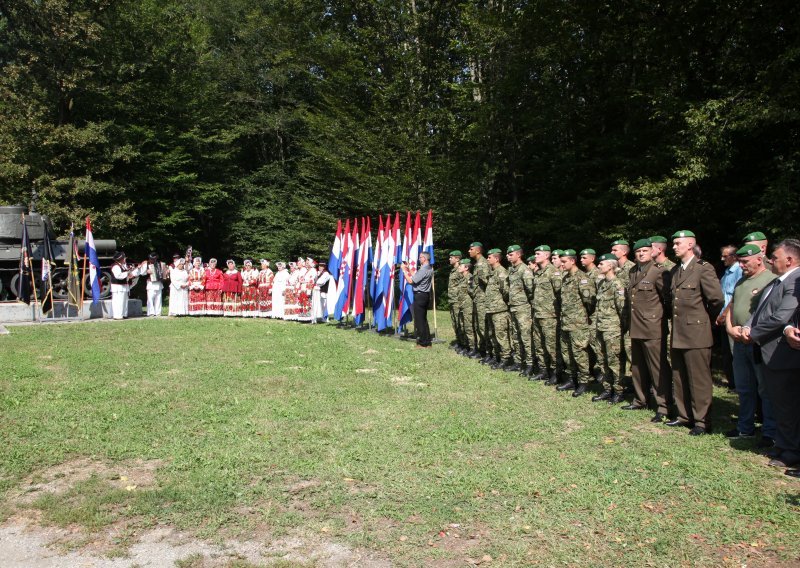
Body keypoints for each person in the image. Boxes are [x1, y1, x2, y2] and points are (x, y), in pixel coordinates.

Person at [742, 238, 800, 470]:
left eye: (774, 257)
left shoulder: (795, 280)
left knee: (788, 405)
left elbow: (781, 317)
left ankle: (791, 451)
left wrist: (752, 333)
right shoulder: (778, 281)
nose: (770, 261)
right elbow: (761, 311)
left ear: (789, 259)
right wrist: (748, 326)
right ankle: (783, 444)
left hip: (783, 353)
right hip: (771, 350)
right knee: (779, 403)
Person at [668, 230, 724, 435]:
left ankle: (702, 421)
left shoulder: (703, 268)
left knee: (699, 379)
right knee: (680, 376)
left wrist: (703, 320)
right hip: (679, 332)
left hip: (696, 332)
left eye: (677, 243)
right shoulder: (676, 271)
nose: (674, 247)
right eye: (673, 244)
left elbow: (716, 299)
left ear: (690, 245)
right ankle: (684, 416)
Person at [725, 244, 777, 446]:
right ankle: (744, 428)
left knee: (764, 389)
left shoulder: (770, 280)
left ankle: (769, 431)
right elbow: (731, 306)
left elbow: (771, 312)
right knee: (744, 387)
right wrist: (730, 328)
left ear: (759, 259)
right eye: (739, 261)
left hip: (759, 342)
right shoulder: (741, 281)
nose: (741, 265)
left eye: (745, 261)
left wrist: (752, 332)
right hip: (739, 341)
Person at [622, 239, 672, 422]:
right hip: (636, 326)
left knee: (658, 368)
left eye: (644, 250)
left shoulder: (659, 272)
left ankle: (663, 406)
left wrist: (657, 318)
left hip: (653, 327)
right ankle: (640, 400)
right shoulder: (633, 271)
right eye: (638, 251)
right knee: (637, 366)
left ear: (652, 251)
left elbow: (667, 300)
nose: (641, 253)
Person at [556, 249, 596, 396]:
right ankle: (572, 379)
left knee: (579, 353)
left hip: (578, 323)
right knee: (567, 353)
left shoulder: (583, 278)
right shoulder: (565, 278)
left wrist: (581, 316)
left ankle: (584, 381)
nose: (562, 264)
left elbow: (590, 302)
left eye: (564, 261)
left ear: (573, 261)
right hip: (566, 321)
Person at [592, 253, 627, 403]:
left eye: (602, 264)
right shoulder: (602, 284)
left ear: (611, 266)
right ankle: (607, 389)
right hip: (600, 327)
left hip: (613, 329)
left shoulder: (617, 284)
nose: (599, 266)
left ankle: (619, 391)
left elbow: (623, 310)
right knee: (602, 360)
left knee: (615, 361)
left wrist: (621, 328)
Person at [531, 245, 561, 382]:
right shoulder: (538, 273)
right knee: (539, 344)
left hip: (550, 315)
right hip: (537, 314)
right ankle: (544, 370)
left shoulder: (553, 272)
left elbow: (560, 293)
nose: (535, 256)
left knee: (551, 346)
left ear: (546, 256)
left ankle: (556, 373)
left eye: (538, 254)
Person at [505, 245, 534, 375]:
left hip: (523, 308)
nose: (508, 256)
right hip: (514, 307)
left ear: (518, 255)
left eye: (511, 254)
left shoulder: (525, 270)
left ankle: (530, 363)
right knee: (516, 336)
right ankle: (518, 361)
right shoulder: (511, 270)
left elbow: (531, 290)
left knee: (526, 337)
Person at [717, 244, 742, 389]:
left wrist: (725, 314)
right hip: (722, 318)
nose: (722, 259)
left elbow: (734, 298)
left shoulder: (739, 271)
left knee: (735, 353)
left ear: (734, 256)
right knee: (727, 353)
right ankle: (733, 383)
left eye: (725, 256)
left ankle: (739, 384)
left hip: (731, 319)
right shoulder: (727, 272)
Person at [483, 248, 512, 367]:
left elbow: (506, 291)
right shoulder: (492, 272)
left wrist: (500, 303)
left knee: (501, 335)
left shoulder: (501, 272)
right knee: (492, 334)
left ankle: (506, 358)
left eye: (489, 257)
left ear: (496, 258)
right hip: (491, 309)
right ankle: (497, 356)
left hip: (499, 310)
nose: (487, 259)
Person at [401, 251, 434, 348]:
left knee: (419, 320)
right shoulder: (428, 268)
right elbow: (416, 276)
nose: (419, 259)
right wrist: (409, 269)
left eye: (420, 257)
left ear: (425, 258)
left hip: (419, 295)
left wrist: (404, 271)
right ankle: (427, 341)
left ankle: (423, 343)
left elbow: (411, 281)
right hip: (425, 295)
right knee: (423, 319)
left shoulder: (423, 270)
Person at [468, 242, 491, 360]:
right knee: (478, 326)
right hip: (478, 299)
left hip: (483, 300)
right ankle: (482, 350)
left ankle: (489, 353)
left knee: (483, 327)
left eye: (471, 249)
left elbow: (488, 283)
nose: (469, 251)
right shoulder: (477, 264)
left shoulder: (482, 264)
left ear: (478, 251)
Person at [109, 251, 140, 320]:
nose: (125, 259)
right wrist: (127, 273)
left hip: (123, 286)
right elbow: (118, 276)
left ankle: (123, 314)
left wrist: (134, 270)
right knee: (118, 301)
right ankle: (117, 315)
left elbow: (127, 273)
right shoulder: (115, 266)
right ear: (121, 259)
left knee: (124, 301)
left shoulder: (123, 265)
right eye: (124, 258)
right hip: (118, 286)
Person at [447, 250, 465, 350]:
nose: (449, 259)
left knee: (460, 323)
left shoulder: (460, 270)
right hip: (452, 300)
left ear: (457, 258)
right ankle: (459, 341)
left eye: (451, 257)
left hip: (458, 300)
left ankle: (464, 343)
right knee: (455, 323)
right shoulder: (453, 270)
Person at [142, 253, 166, 317]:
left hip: (158, 283)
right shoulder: (146, 264)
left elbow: (164, 273)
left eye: (154, 259)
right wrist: (146, 271)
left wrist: (166, 272)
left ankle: (158, 312)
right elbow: (142, 273)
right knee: (150, 298)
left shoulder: (160, 264)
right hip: (151, 283)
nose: (152, 260)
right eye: (151, 259)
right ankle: (151, 312)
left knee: (158, 298)